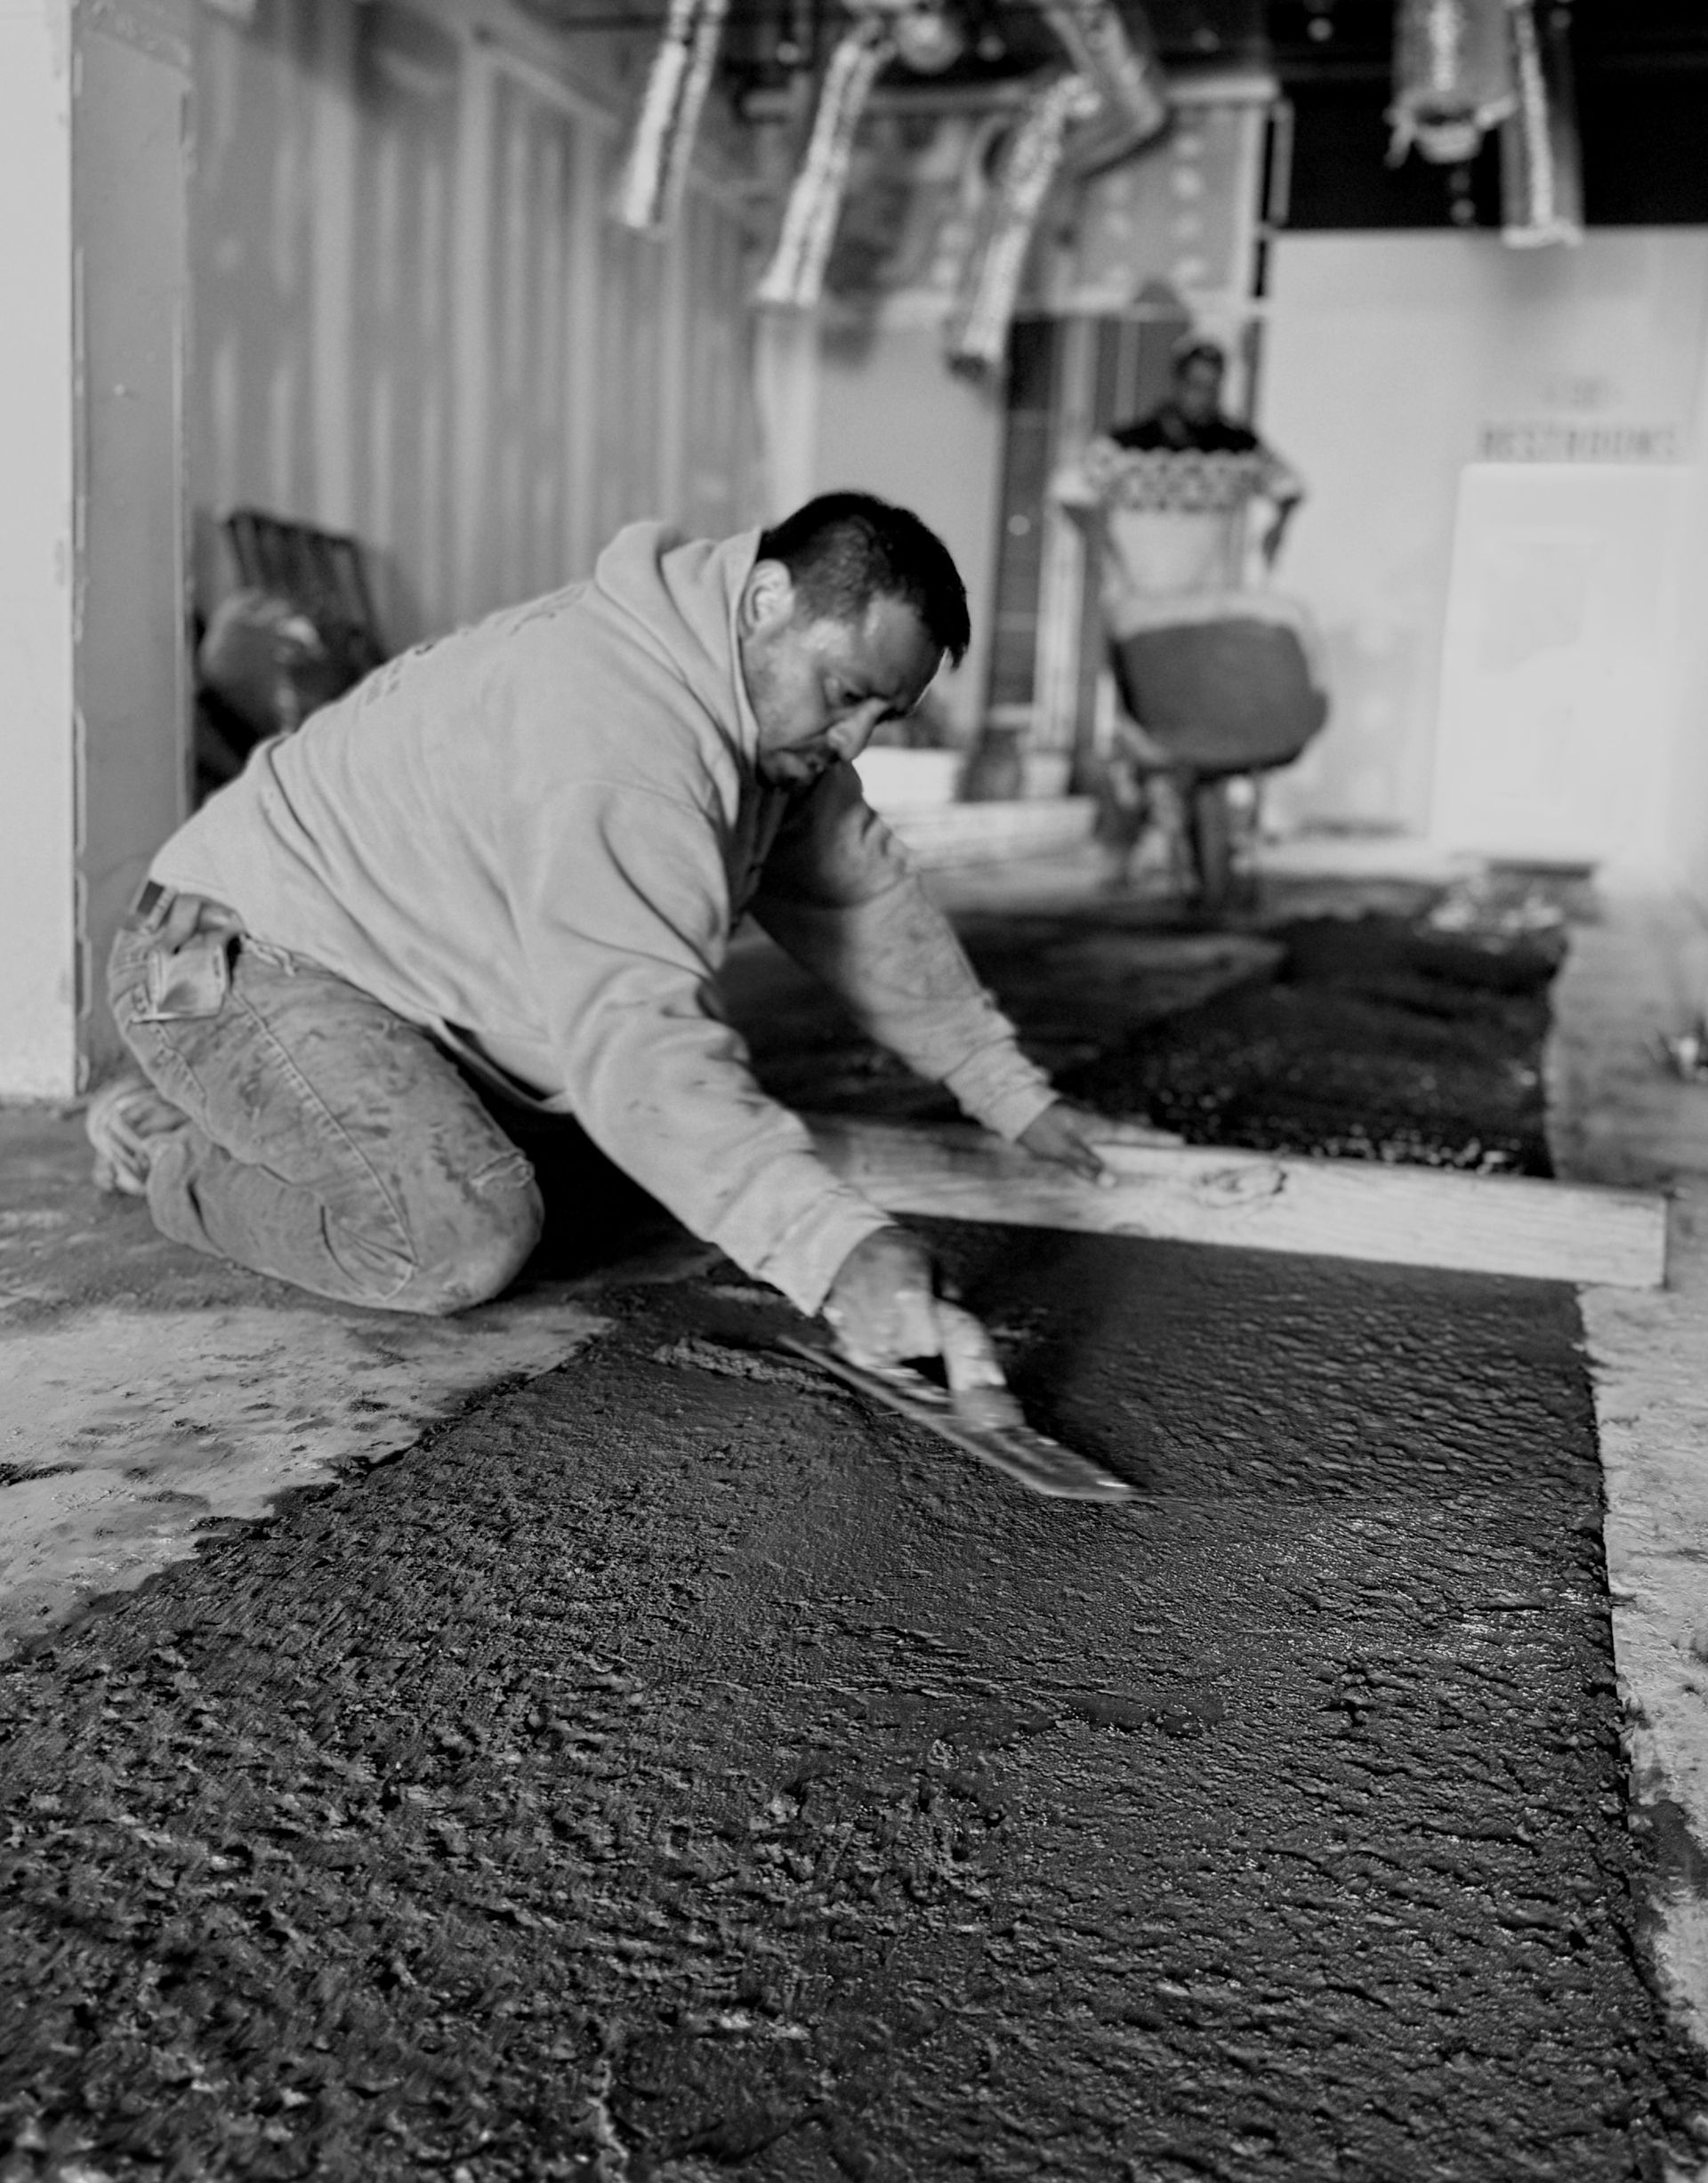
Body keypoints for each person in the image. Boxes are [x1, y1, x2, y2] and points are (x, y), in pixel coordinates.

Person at [88, 493, 1126, 1376]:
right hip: (234, 962)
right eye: (846, 694)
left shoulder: (763, 723)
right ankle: (176, 1156)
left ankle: (268, 1108)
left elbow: (863, 904)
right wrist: (836, 1255)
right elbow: (638, 1040)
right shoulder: (622, 735)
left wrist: (1009, 1092)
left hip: (380, 984)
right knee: (463, 1232)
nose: (852, 739)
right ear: (766, 600)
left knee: (624, 1168)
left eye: (879, 717)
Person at [1053, 337, 1313, 894]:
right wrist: (1102, 549)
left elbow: (1290, 487)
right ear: (1177, 383)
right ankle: (1124, 843)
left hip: (1204, 614)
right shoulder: (1127, 446)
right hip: (1140, 607)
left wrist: (1276, 531)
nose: (1203, 397)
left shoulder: (1237, 448)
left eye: (1213, 387)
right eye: (1195, 385)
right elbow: (1070, 491)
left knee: (1202, 727)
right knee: (1139, 732)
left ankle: (1203, 847)